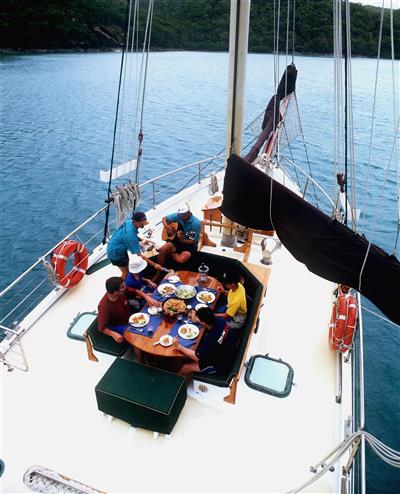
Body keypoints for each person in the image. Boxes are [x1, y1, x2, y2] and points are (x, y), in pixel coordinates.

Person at [174, 307, 238, 379]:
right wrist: (197, 320)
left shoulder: (210, 340)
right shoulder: (221, 320)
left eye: (198, 318)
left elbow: (198, 358)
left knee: (185, 367)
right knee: (188, 355)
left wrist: (179, 346)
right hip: (229, 350)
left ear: (203, 322)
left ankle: (176, 384)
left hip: (221, 366)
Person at [107, 210, 163, 279]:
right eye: (142, 223)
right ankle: (121, 286)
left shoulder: (129, 222)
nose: (144, 225)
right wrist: (154, 264)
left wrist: (140, 239)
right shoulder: (130, 235)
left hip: (114, 245)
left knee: (129, 267)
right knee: (126, 273)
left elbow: (125, 232)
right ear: (136, 222)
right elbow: (139, 255)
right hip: (115, 253)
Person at [97, 277, 131, 343]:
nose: (125, 288)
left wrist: (146, 296)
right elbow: (101, 328)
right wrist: (113, 334)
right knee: (134, 334)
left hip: (127, 317)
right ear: (115, 292)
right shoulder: (104, 307)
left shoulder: (121, 292)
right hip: (117, 324)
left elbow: (132, 291)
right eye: (123, 287)